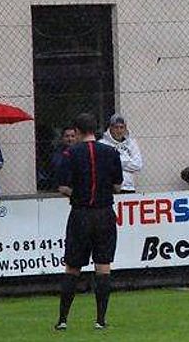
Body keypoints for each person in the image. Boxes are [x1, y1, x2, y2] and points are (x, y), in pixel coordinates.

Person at [55, 113, 124, 331]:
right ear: (96, 130)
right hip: (104, 214)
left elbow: (63, 187)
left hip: (81, 214)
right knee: (103, 266)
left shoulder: (71, 154)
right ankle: (100, 320)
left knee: (72, 267)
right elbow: (118, 186)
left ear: (76, 131)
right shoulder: (111, 152)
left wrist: (78, 193)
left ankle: (63, 320)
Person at [98, 114, 144, 193]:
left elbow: (138, 165)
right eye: (116, 127)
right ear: (110, 128)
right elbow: (104, 165)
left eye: (121, 127)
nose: (119, 130)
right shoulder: (102, 144)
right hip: (110, 188)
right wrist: (128, 161)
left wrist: (116, 163)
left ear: (125, 128)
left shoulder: (131, 144)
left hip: (129, 188)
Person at [43, 126, 78, 191]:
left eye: (73, 136)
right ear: (62, 138)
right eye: (67, 136)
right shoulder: (57, 153)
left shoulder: (81, 152)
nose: (70, 139)